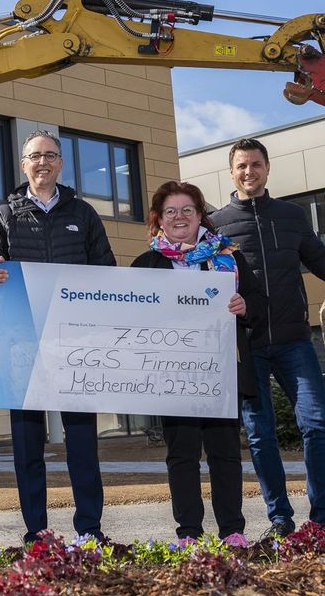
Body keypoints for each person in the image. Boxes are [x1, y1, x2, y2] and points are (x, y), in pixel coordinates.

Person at [209, 137, 325, 541]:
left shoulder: (292, 216)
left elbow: (320, 257)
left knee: (317, 424)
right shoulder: (217, 225)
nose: (249, 172)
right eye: (242, 166)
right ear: (231, 172)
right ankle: (280, 519)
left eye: (256, 165)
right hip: (248, 345)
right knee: (261, 435)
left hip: (295, 340)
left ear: (267, 168)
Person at [0, 129, 116, 543]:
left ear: (60, 163)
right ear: (24, 165)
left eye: (50, 155)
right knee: (27, 447)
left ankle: (89, 530)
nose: (43, 162)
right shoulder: (3, 215)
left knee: (83, 448)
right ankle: (37, 533)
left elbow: (106, 271)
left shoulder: (84, 213)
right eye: (35, 156)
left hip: (76, 346)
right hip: (24, 348)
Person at [130, 181, 266, 540]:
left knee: (225, 454)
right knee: (182, 456)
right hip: (172, 375)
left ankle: (232, 531)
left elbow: (259, 305)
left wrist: (244, 306)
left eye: (187, 210)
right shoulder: (145, 265)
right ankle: (188, 531)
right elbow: (131, 319)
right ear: (159, 219)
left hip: (220, 371)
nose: (179, 217)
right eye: (170, 211)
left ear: (200, 216)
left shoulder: (227, 258)